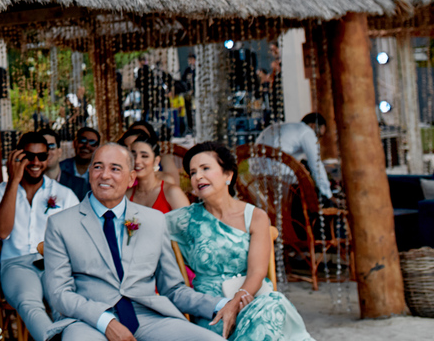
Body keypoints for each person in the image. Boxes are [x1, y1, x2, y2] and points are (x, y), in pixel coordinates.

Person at [42, 143, 239, 341]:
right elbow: (59, 293)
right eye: (98, 167)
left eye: (115, 169)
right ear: (90, 173)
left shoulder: (153, 220)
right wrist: (105, 321)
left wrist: (222, 304)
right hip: (88, 321)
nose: (105, 175)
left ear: (131, 178)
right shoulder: (60, 223)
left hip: (148, 317)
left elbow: (173, 289)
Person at [170, 143, 314, 339]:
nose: (198, 177)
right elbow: (141, 223)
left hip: (251, 299)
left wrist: (235, 304)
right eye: (193, 172)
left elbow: (257, 272)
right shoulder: (184, 219)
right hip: (213, 310)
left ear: (228, 175)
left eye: (205, 168)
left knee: (271, 305)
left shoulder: (255, 217)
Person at [0, 132, 80, 341]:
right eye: (29, 156)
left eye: (42, 156)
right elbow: (2, 232)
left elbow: (77, 238)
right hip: (16, 263)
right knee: (29, 302)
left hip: (53, 263)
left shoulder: (64, 194)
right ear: (17, 156)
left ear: (48, 158)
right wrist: (13, 181)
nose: (36, 162)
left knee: (63, 303)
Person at [253, 113, 332, 202]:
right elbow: (316, 165)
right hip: (279, 179)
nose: (317, 139)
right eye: (319, 135)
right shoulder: (307, 131)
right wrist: (328, 195)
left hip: (257, 179)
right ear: (313, 126)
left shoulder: (284, 127)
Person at [123, 130, 189, 213]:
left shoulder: (171, 192)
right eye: (133, 155)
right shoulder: (127, 195)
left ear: (156, 161)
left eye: (144, 156)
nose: (137, 161)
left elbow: (188, 221)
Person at [50, 127, 89, 201]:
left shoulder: (101, 171)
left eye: (92, 142)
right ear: (74, 143)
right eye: (82, 140)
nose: (87, 145)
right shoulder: (62, 167)